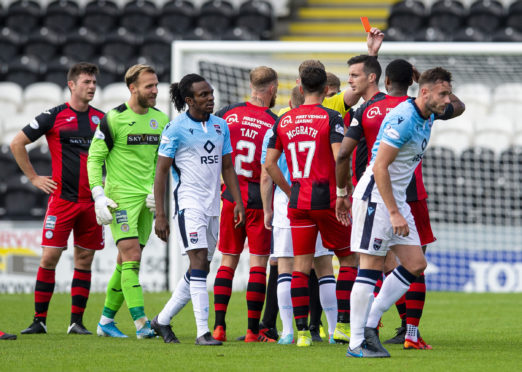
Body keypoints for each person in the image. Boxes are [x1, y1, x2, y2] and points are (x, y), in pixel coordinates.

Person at [336, 59, 465, 351]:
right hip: (376, 197)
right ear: (424, 93)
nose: (446, 101)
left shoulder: (429, 112)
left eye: (447, 95)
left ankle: (370, 321)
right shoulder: (403, 117)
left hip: (396, 198)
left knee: (416, 264)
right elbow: (380, 166)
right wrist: (393, 212)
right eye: (442, 95)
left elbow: (460, 107)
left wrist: (434, 83)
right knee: (369, 268)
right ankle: (357, 341)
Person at [10, 62, 104, 335]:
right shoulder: (53, 116)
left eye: (95, 83)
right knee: (50, 257)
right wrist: (34, 178)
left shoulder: (102, 119)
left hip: (91, 202)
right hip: (62, 200)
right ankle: (39, 320)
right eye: (86, 82)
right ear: (72, 85)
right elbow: (17, 143)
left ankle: (76, 322)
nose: (92, 87)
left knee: (84, 259)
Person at [152, 73, 245, 346]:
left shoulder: (220, 126)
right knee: (198, 262)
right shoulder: (175, 129)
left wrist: (236, 201)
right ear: (189, 100)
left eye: (211, 93)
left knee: (201, 266)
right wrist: (161, 214)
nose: (210, 98)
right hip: (189, 202)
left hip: (214, 204)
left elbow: (227, 166)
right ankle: (203, 332)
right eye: (203, 95)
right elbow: (161, 172)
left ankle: (162, 320)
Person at [264, 66, 352, 347]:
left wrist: (290, 190)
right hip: (326, 199)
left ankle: (301, 333)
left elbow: (268, 164)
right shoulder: (332, 116)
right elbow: (341, 158)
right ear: (327, 90)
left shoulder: (284, 119)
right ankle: (342, 326)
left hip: (298, 201)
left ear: (300, 88)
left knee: (299, 268)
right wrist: (343, 192)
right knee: (347, 260)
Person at [87, 64, 169, 339]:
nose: (155, 90)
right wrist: (98, 195)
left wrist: (160, 196)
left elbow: (163, 163)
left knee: (125, 262)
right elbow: (94, 158)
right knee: (132, 257)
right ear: (132, 88)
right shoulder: (113, 118)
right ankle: (142, 324)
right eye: (149, 86)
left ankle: (105, 322)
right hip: (120, 198)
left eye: (156, 85)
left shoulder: (161, 118)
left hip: (147, 201)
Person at [210, 66, 279, 343]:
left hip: (230, 196)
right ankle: (252, 331)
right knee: (257, 265)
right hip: (259, 200)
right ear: (272, 89)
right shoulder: (274, 121)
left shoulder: (226, 114)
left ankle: (218, 327)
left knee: (227, 261)